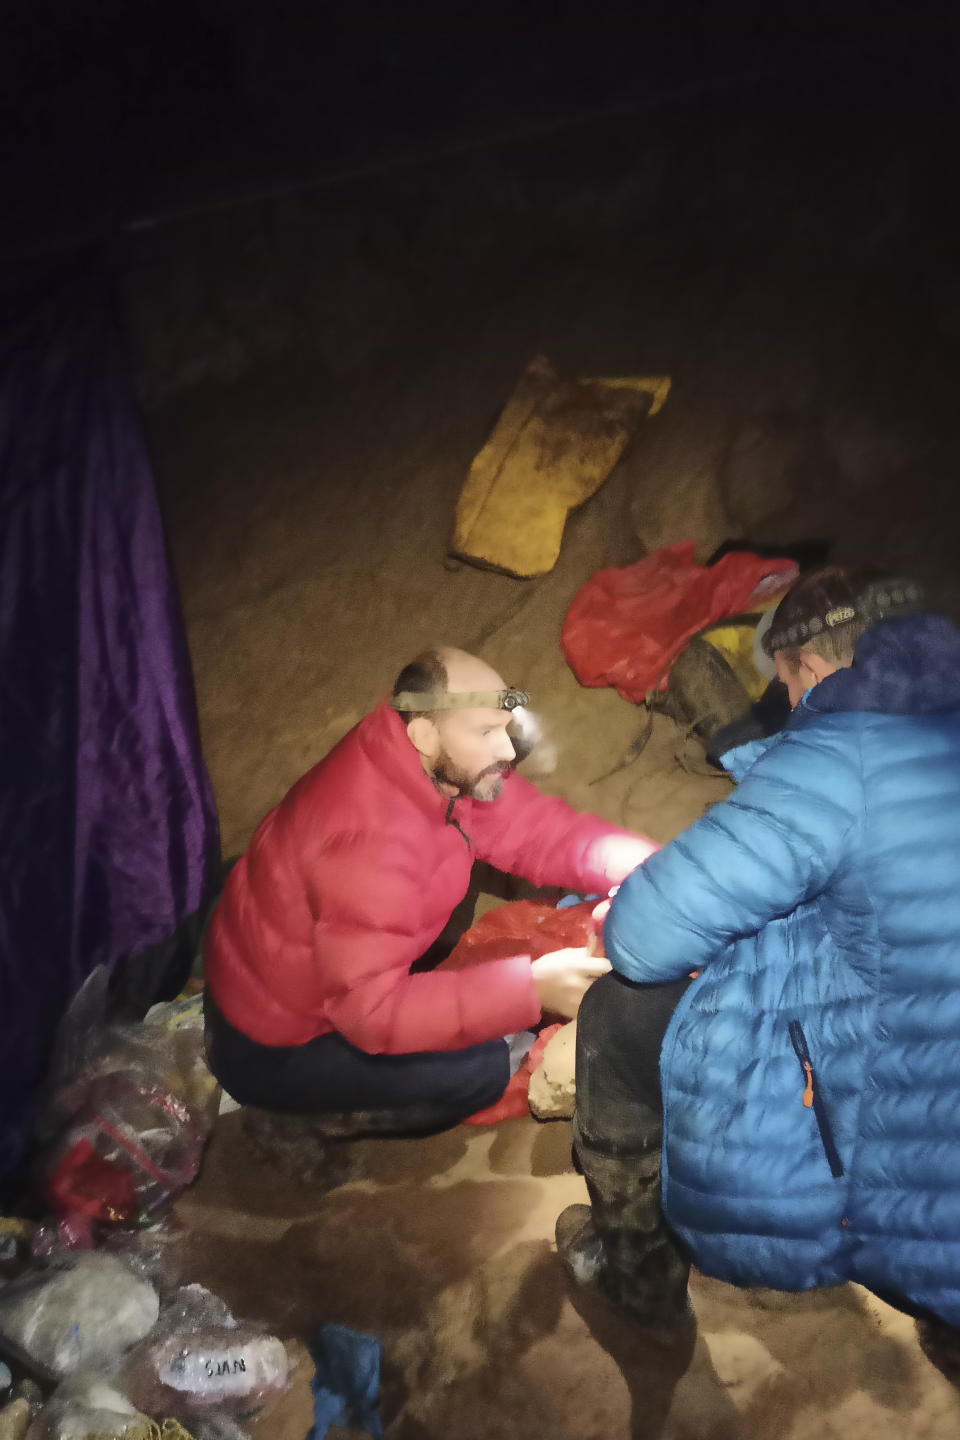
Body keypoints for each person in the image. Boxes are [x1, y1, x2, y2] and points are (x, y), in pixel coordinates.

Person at [556, 566, 960, 1345]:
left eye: (785, 682)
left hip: (919, 1127)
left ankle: (637, 1274)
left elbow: (643, 937)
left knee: (622, 1014)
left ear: (807, 666)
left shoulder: (842, 756)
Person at [203, 646, 657, 1134]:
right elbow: (372, 1015)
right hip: (274, 1043)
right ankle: (300, 1116)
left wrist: (655, 869)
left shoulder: (426, 760)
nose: (507, 751)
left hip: (296, 956)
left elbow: (535, 828)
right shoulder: (369, 855)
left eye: (504, 727)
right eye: (485, 732)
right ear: (423, 733)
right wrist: (531, 987)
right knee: (482, 1069)